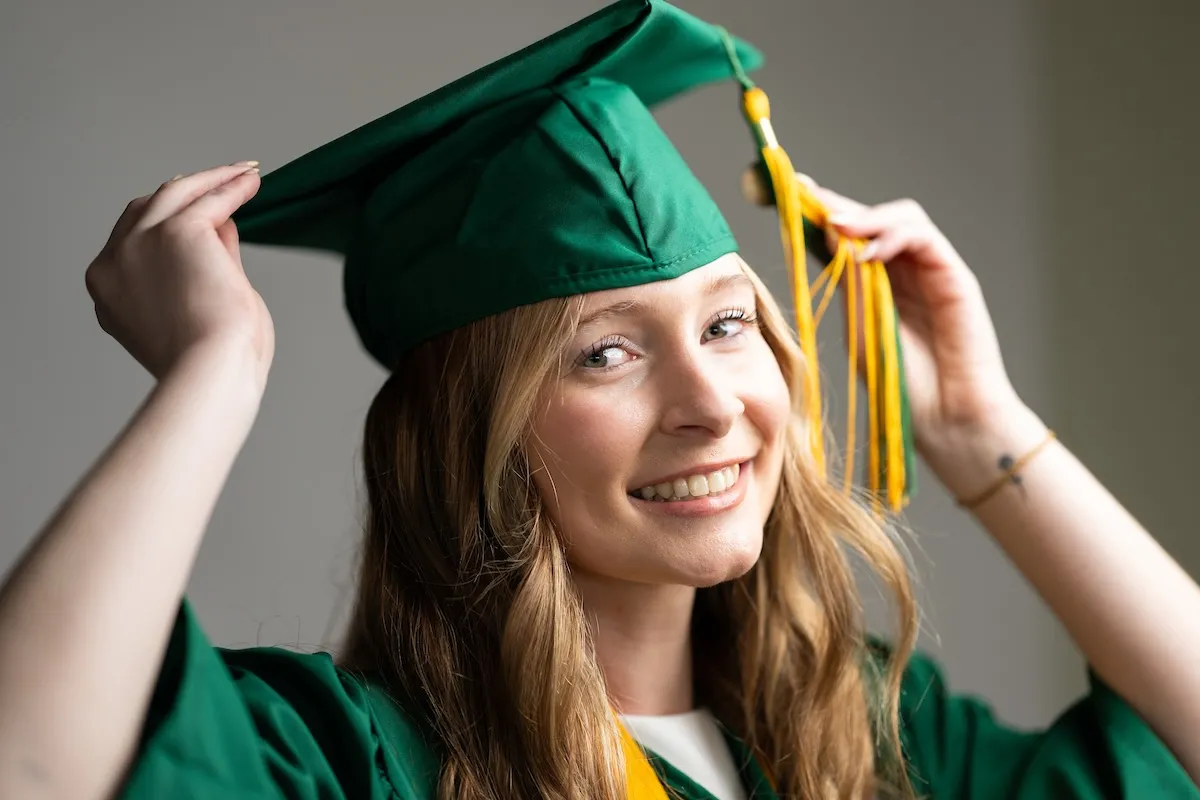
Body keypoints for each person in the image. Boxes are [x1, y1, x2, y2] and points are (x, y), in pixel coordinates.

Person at [1, 1, 1197, 798]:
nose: (711, 403)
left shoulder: (860, 736)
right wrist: (214, 369)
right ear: (471, 435)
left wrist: (980, 427)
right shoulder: (355, 760)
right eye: (605, 354)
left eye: (726, 324)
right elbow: (32, 759)